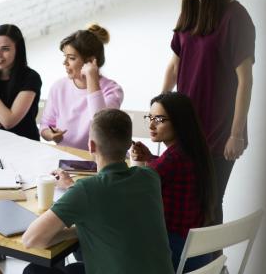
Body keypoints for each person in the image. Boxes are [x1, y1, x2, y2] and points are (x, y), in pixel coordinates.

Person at [162, 0, 255, 225]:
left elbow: (245, 81)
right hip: (186, 124)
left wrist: (236, 133)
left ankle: (213, 265)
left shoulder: (236, 18)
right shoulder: (190, 11)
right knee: (185, 198)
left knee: (211, 203)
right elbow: (174, 64)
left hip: (218, 130)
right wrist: (159, 109)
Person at [22, 109, 174, 274]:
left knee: (34, 271)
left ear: (91, 146)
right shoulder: (150, 177)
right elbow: (122, 201)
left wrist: (80, 229)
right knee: (74, 268)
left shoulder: (86, 190)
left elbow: (31, 240)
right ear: (129, 144)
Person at [131, 92, 216, 272]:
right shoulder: (192, 151)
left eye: (160, 119)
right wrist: (150, 158)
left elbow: (130, 189)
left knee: (88, 242)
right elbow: (168, 172)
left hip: (174, 255)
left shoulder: (171, 160)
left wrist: (137, 162)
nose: (152, 125)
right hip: (197, 252)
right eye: (150, 118)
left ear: (179, 122)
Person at [39, 24, 124, 150]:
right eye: (65, 57)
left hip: (99, 160)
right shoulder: (58, 87)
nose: (65, 63)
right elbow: (45, 125)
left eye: (71, 58)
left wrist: (91, 76)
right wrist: (51, 135)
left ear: (90, 61)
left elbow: (100, 124)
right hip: (66, 156)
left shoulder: (112, 90)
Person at [0, 24, 42, 140]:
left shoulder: (31, 78)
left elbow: (8, 122)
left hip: (25, 146)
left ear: (18, 50)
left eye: (5, 49)